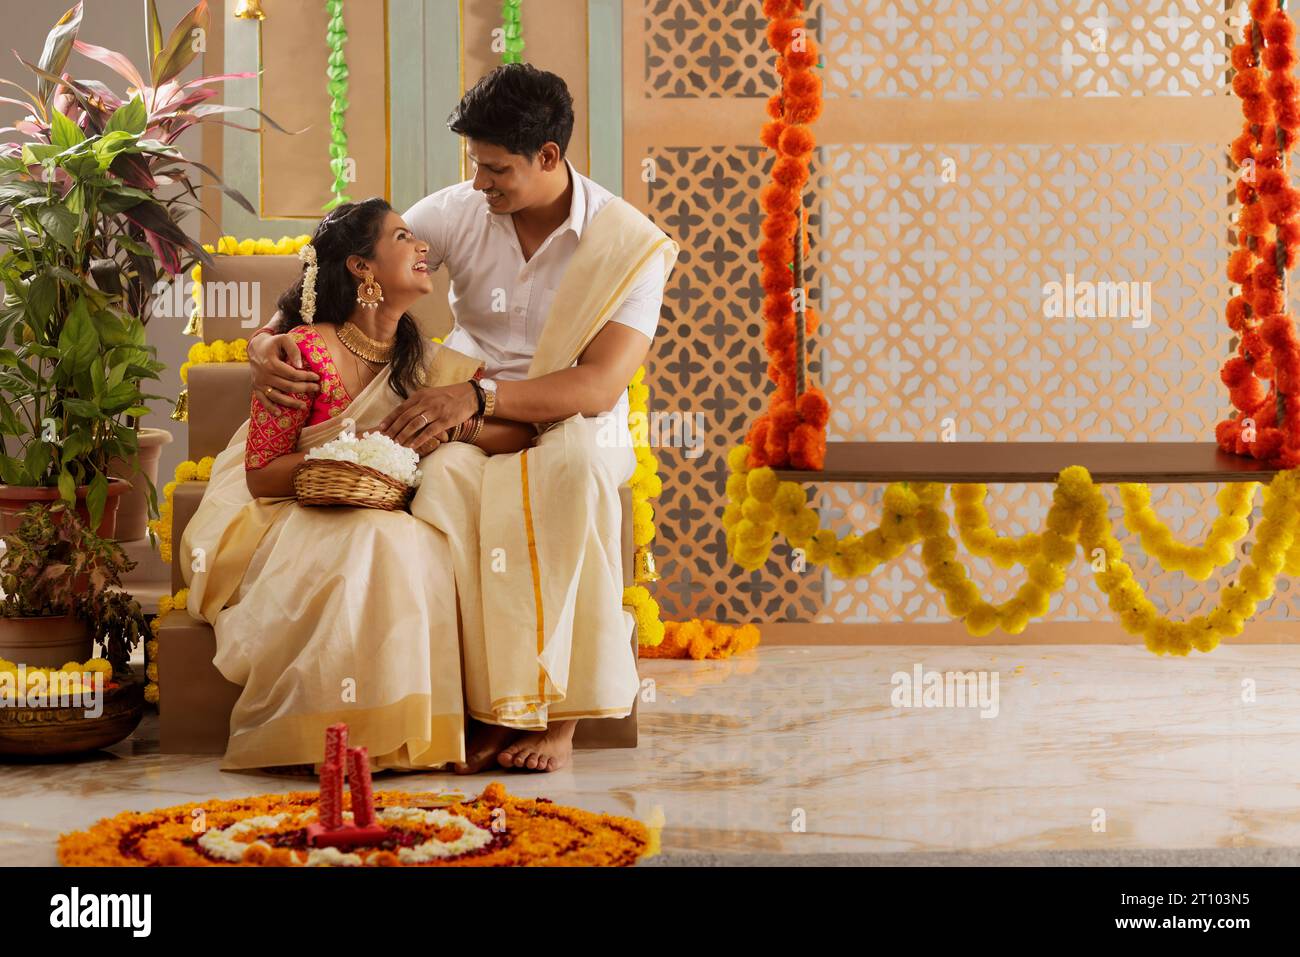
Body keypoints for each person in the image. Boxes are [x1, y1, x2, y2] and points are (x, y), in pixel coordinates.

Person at [245, 63, 678, 773]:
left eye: (497, 168)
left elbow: (599, 384)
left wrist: (481, 400)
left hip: (567, 411)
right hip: (464, 404)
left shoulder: (627, 245)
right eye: (476, 166)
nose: (481, 183)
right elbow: (350, 262)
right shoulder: (460, 210)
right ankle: (488, 706)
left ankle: (560, 713)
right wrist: (265, 339)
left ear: (548, 157)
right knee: (443, 483)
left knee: (577, 473)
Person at [181, 198, 537, 774]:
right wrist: (353, 451)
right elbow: (261, 473)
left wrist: (455, 425)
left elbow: (519, 434)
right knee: (374, 541)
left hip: (385, 510)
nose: (423, 248)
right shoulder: (304, 353)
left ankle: (402, 734)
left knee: (417, 540)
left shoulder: (426, 363)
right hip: (294, 507)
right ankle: (335, 738)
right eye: (402, 238)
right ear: (361, 268)